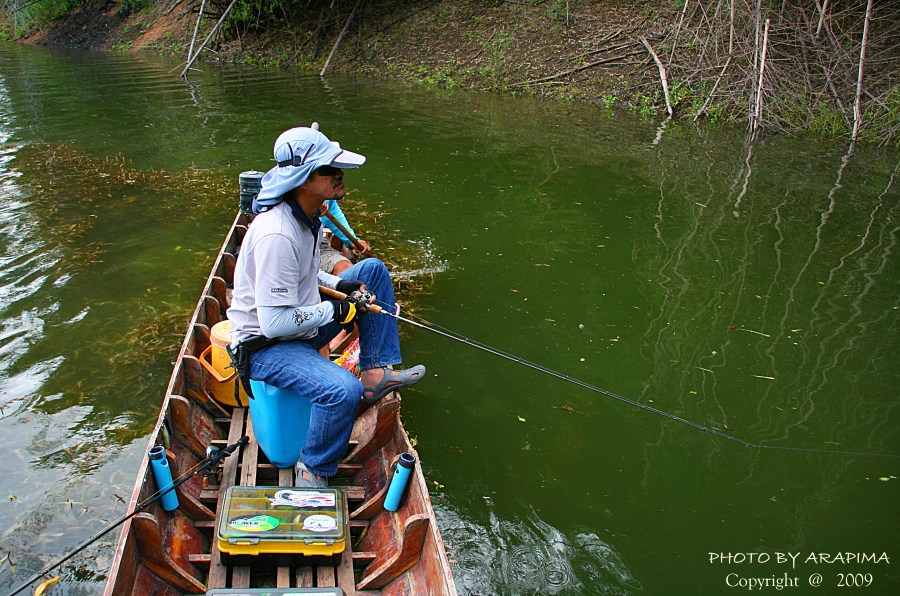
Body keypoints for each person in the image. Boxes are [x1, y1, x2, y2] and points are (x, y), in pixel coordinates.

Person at [227, 125, 425, 487]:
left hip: (299, 324)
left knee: (373, 272)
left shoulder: (309, 220)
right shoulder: (277, 234)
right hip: (267, 346)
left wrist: (341, 285)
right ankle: (314, 470)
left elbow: (305, 278)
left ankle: (375, 374)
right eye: (328, 170)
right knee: (341, 392)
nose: (339, 176)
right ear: (303, 180)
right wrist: (334, 311)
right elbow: (272, 324)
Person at [320, 199, 371, 275]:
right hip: (299, 246)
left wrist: (352, 241)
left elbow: (335, 218)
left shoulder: (327, 197)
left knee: (346, 269)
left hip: (317, 244)